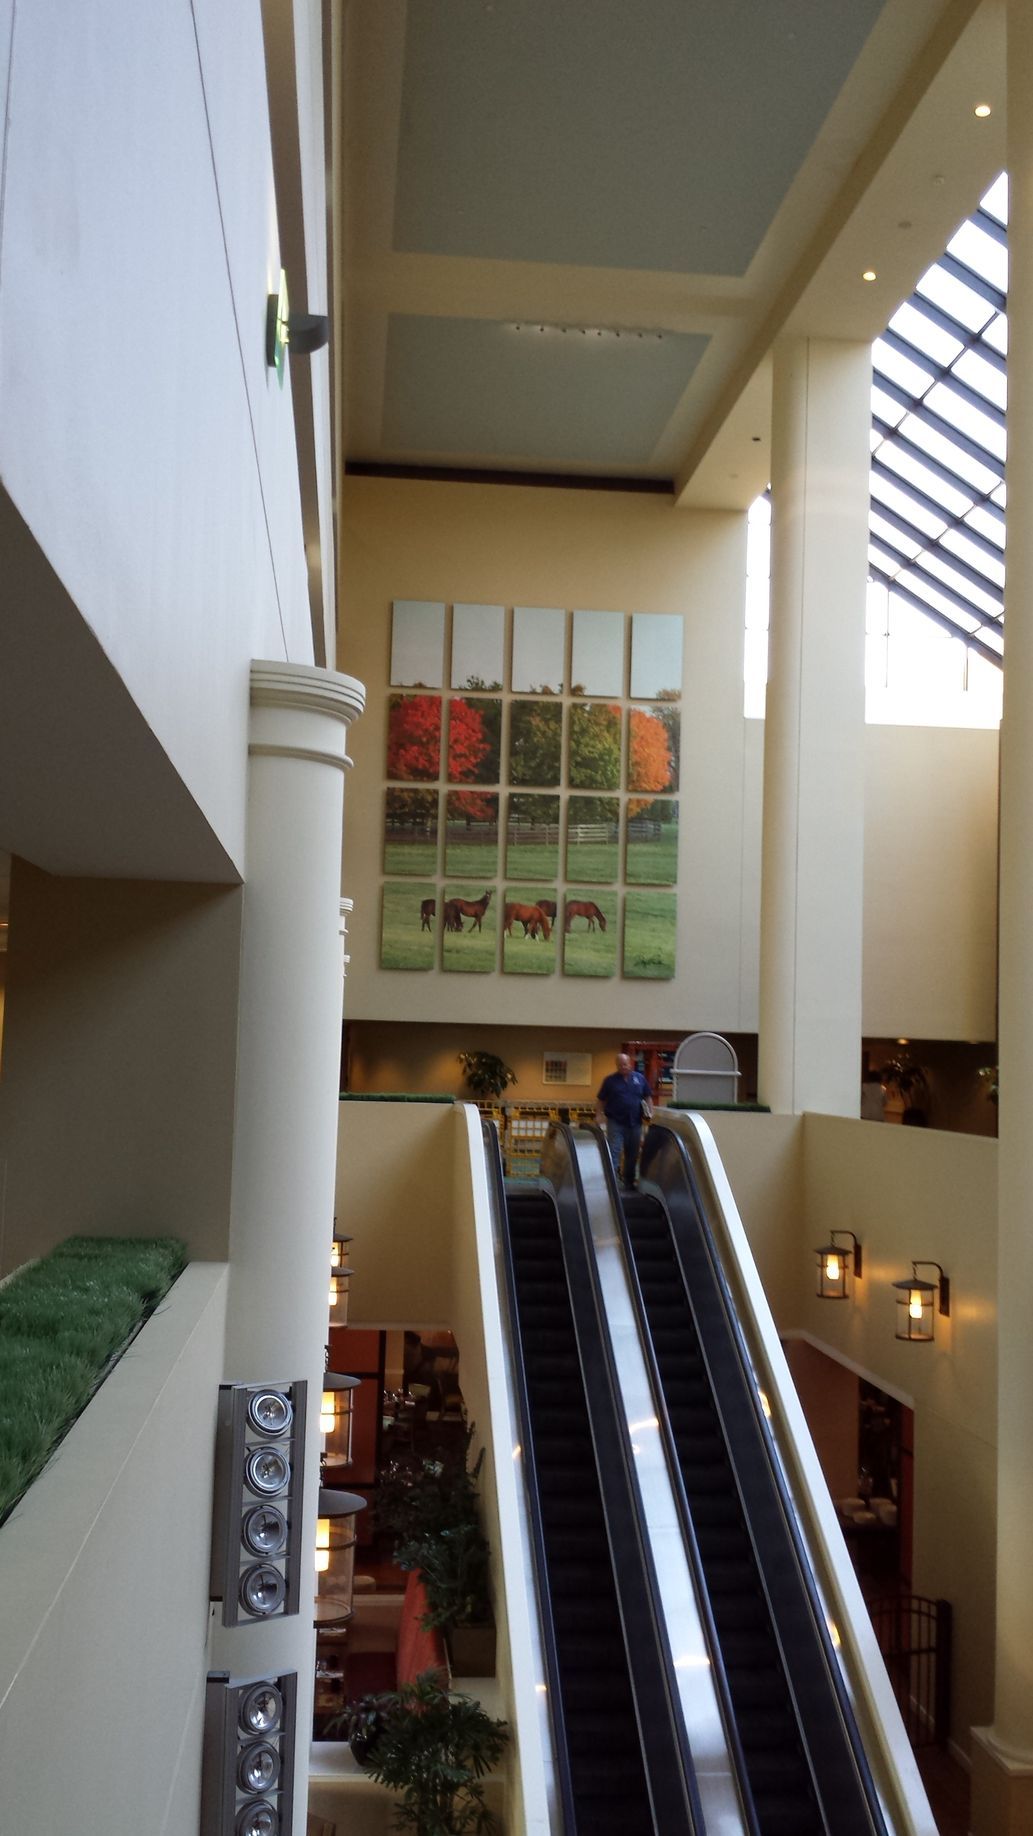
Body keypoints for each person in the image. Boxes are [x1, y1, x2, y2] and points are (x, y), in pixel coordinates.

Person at [595, 1052, 653, 1189]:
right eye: (620, 1065)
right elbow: (601, 1100)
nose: (623, 1067)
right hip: (616, 1121)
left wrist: (650, 1112)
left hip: (635, 1122)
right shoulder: (610, 1081)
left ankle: (629, 1181)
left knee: (632, 1153)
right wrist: (599, 1115)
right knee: (614, 1150)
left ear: (630, 1064)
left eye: (625, 1064)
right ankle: (613, 1181)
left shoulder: (639, 1078)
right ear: (617, 1065)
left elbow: (647, 1096)